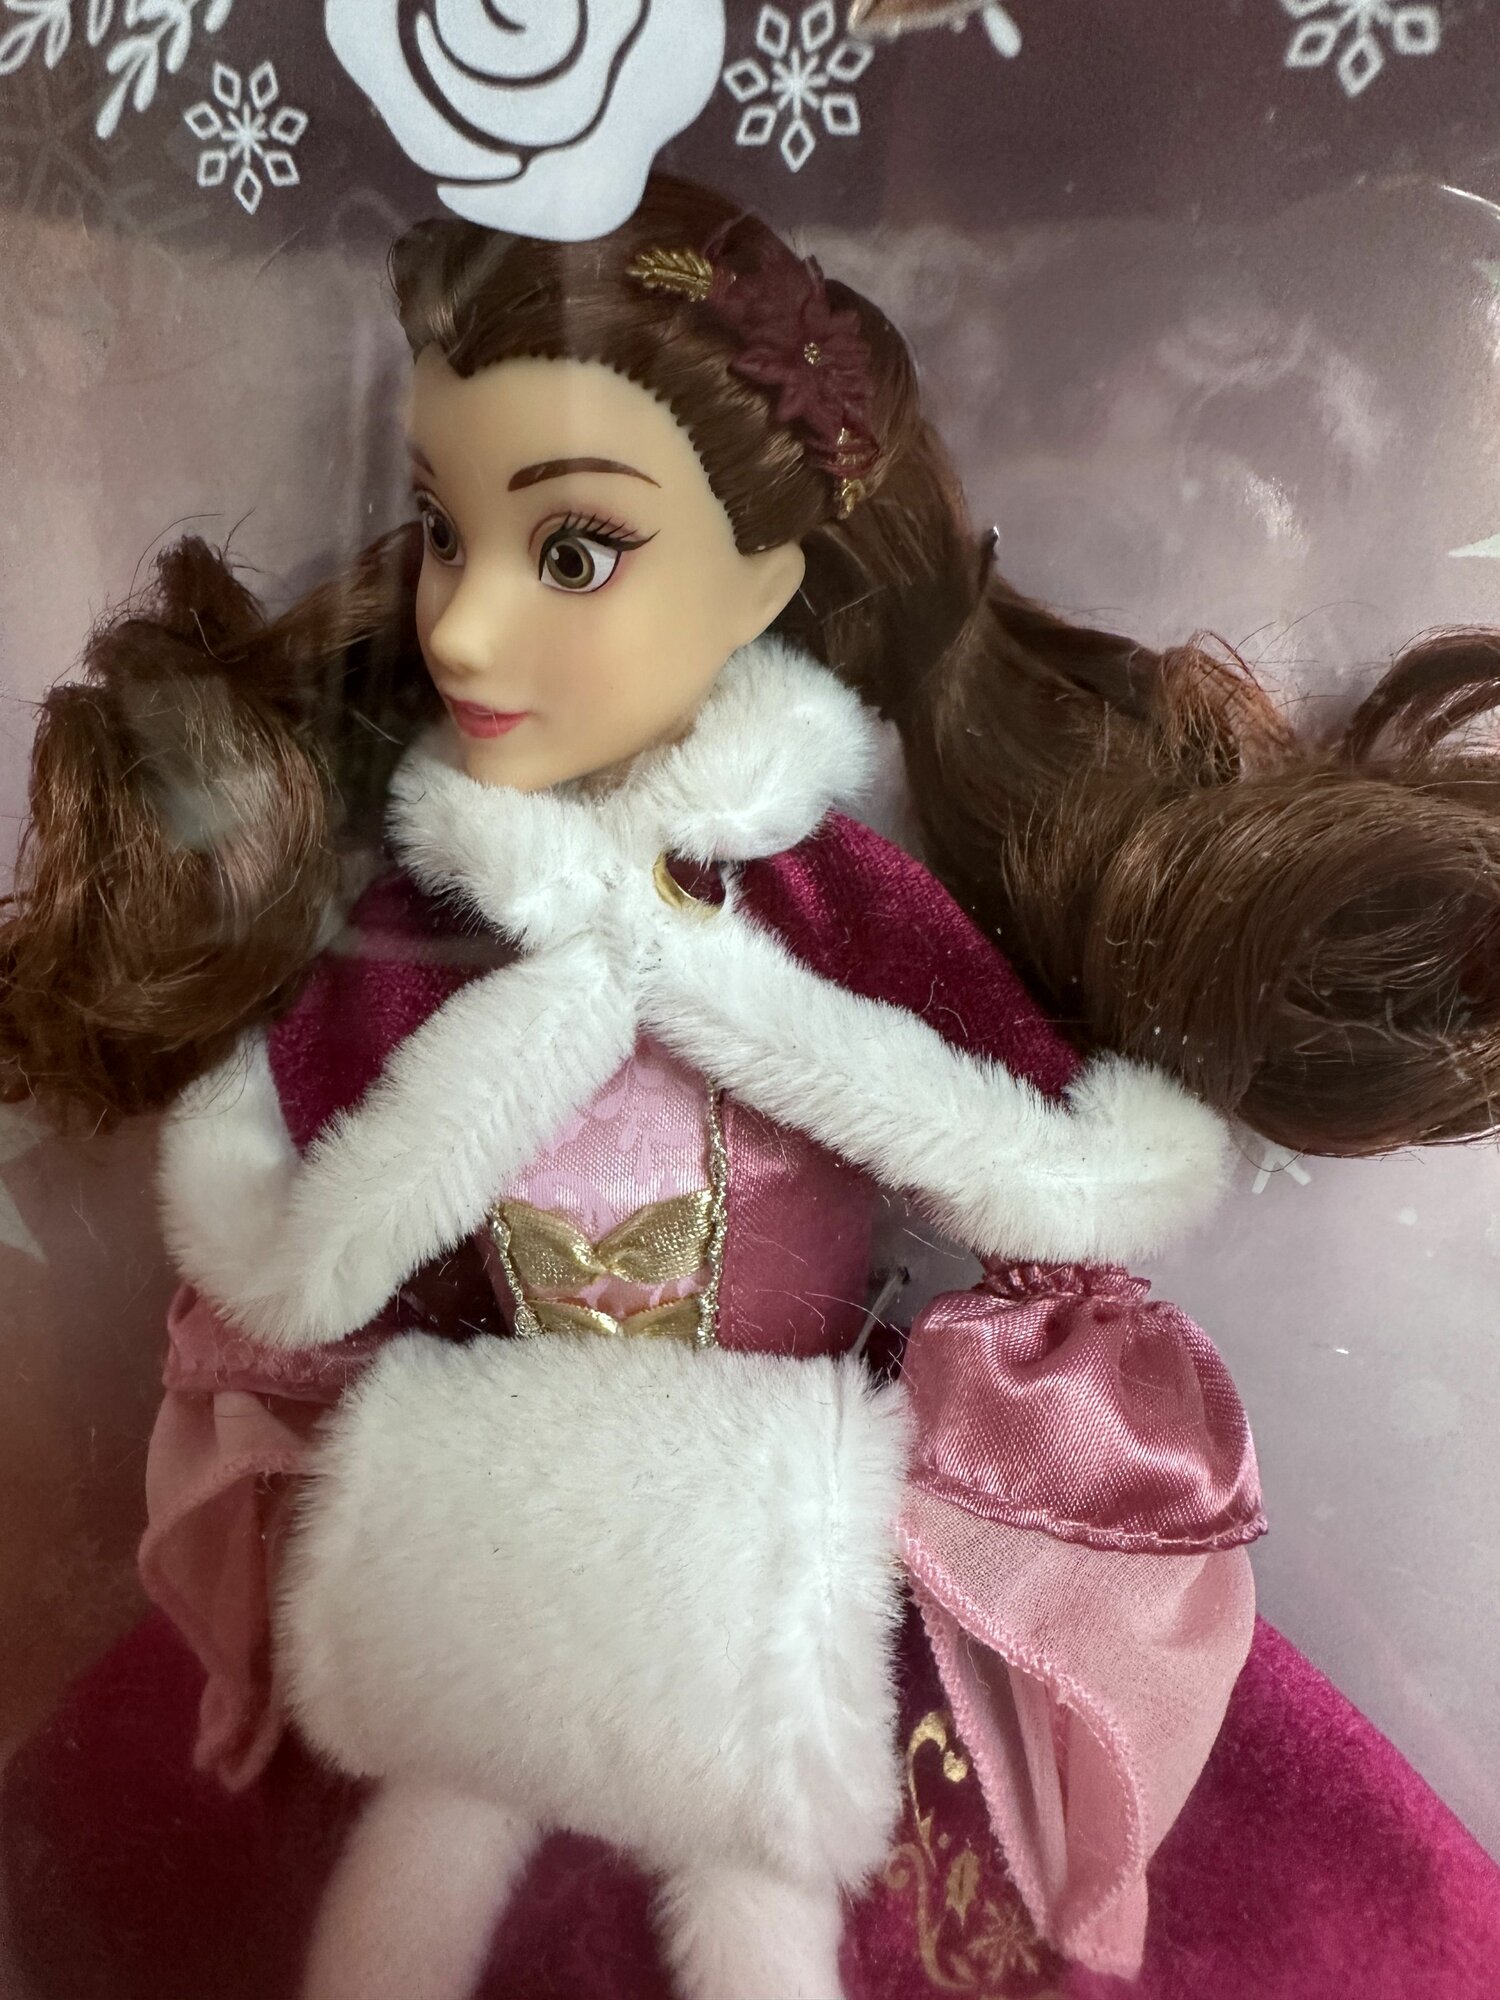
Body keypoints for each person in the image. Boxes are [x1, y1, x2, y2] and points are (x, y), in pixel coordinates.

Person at [2, 174, 1498, 2000]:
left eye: (571, 553)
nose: (460, 631)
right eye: (442, 532)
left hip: (772, 1519)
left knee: (764, 1883)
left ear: (771, 580)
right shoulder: (426, 921)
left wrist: (992, 1404)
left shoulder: (819, 907)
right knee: (417, 1838)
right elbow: (301, 1200)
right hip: (497, 1502)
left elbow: (1038, 1162)